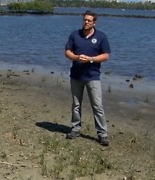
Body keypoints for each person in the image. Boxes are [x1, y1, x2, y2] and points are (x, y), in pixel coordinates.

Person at [64, 10, 111, 146]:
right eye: (85, 20)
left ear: (94, 22)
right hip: (76, 76)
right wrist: (76, 57)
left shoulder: (101, 37)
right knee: (76, 105)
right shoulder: (75, 35)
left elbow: (106, 56)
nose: (86, 22)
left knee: (97, 106)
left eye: (89, 20)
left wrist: (90, 59)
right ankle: (75, 129)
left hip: (93, 77)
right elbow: (67, 51)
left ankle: (102, 134)